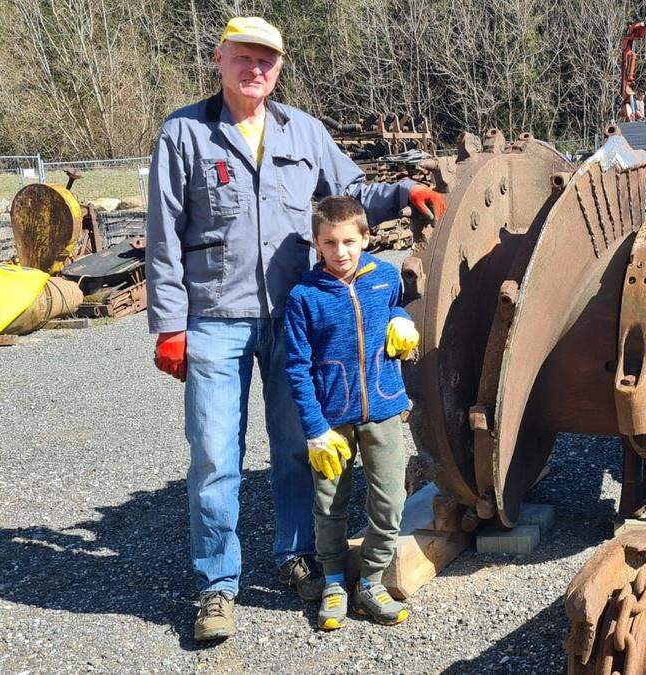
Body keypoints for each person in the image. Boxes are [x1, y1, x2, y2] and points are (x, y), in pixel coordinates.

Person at [145, 16, 445, 641]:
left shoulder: (303, 131)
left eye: (267, 61)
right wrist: (170, 324)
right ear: (220, 60)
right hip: (214, 321)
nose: (255, 69)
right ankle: (216, 587)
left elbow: (352, 193)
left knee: (298, 448)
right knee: (214, 456)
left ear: (278, 68)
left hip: (293, 319)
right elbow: (164, 236)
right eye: (243, 58)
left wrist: (409, 191)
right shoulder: (184, 133)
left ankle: (298, 557)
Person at [283, 196, 417, 631]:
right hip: (331, 421)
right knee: (329, 504)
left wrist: (401, 319)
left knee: (389, 500)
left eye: (348, 241)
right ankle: (335, 580)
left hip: (383, 410)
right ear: (316, 244)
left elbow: (396, 304)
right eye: (329, 243)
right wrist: (315, 429)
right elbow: (297, 368)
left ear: (366, 238)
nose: (340, 252)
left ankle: (372, 582)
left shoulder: (386, 278)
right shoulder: (304, 297)